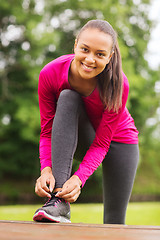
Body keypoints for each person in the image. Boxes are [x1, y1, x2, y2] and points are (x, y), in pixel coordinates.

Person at [33, 19, 139, 224]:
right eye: (85, 49)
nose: (90, 59)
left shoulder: (118, 84)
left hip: (121, 144)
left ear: (110, 57)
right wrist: (46, 168)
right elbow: (47, 131)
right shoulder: (50, 73)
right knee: (68, 97)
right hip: (83, 136)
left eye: (100, 54)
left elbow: (102, 143)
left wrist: (79, 179)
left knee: (114, 222)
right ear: (75, 45)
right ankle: (58, 202)